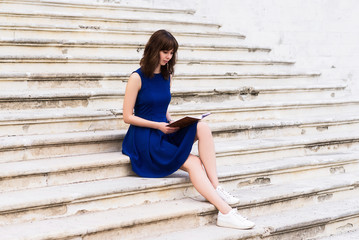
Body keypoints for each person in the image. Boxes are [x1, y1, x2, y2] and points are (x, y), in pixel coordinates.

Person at [122, 29, 255, 230]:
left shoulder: (167, 76)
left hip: (163, 129)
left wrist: (174, 121)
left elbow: (162, 107)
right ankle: (225, 212)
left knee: (202, 126)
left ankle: (216, 187)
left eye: (172, 53)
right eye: (165, 52)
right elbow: (127, 116)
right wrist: (158, 125)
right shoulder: (137, 77)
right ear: (154, 50)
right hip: (144, 138)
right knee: (194, 163)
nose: (169, 57)